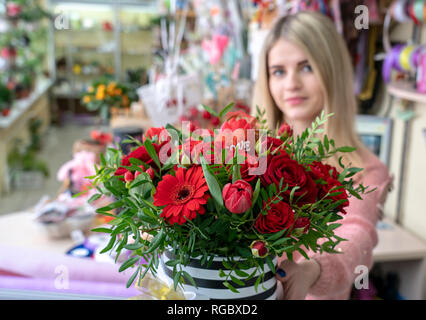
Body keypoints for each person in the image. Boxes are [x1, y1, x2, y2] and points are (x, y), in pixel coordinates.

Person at [252, 11, 393, 300]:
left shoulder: (366, 168)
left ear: (332, 71)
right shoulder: (251, 152)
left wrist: (312, 270)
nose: (291, 83)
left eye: (306, 68)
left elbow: (358, 238)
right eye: (278, 71)